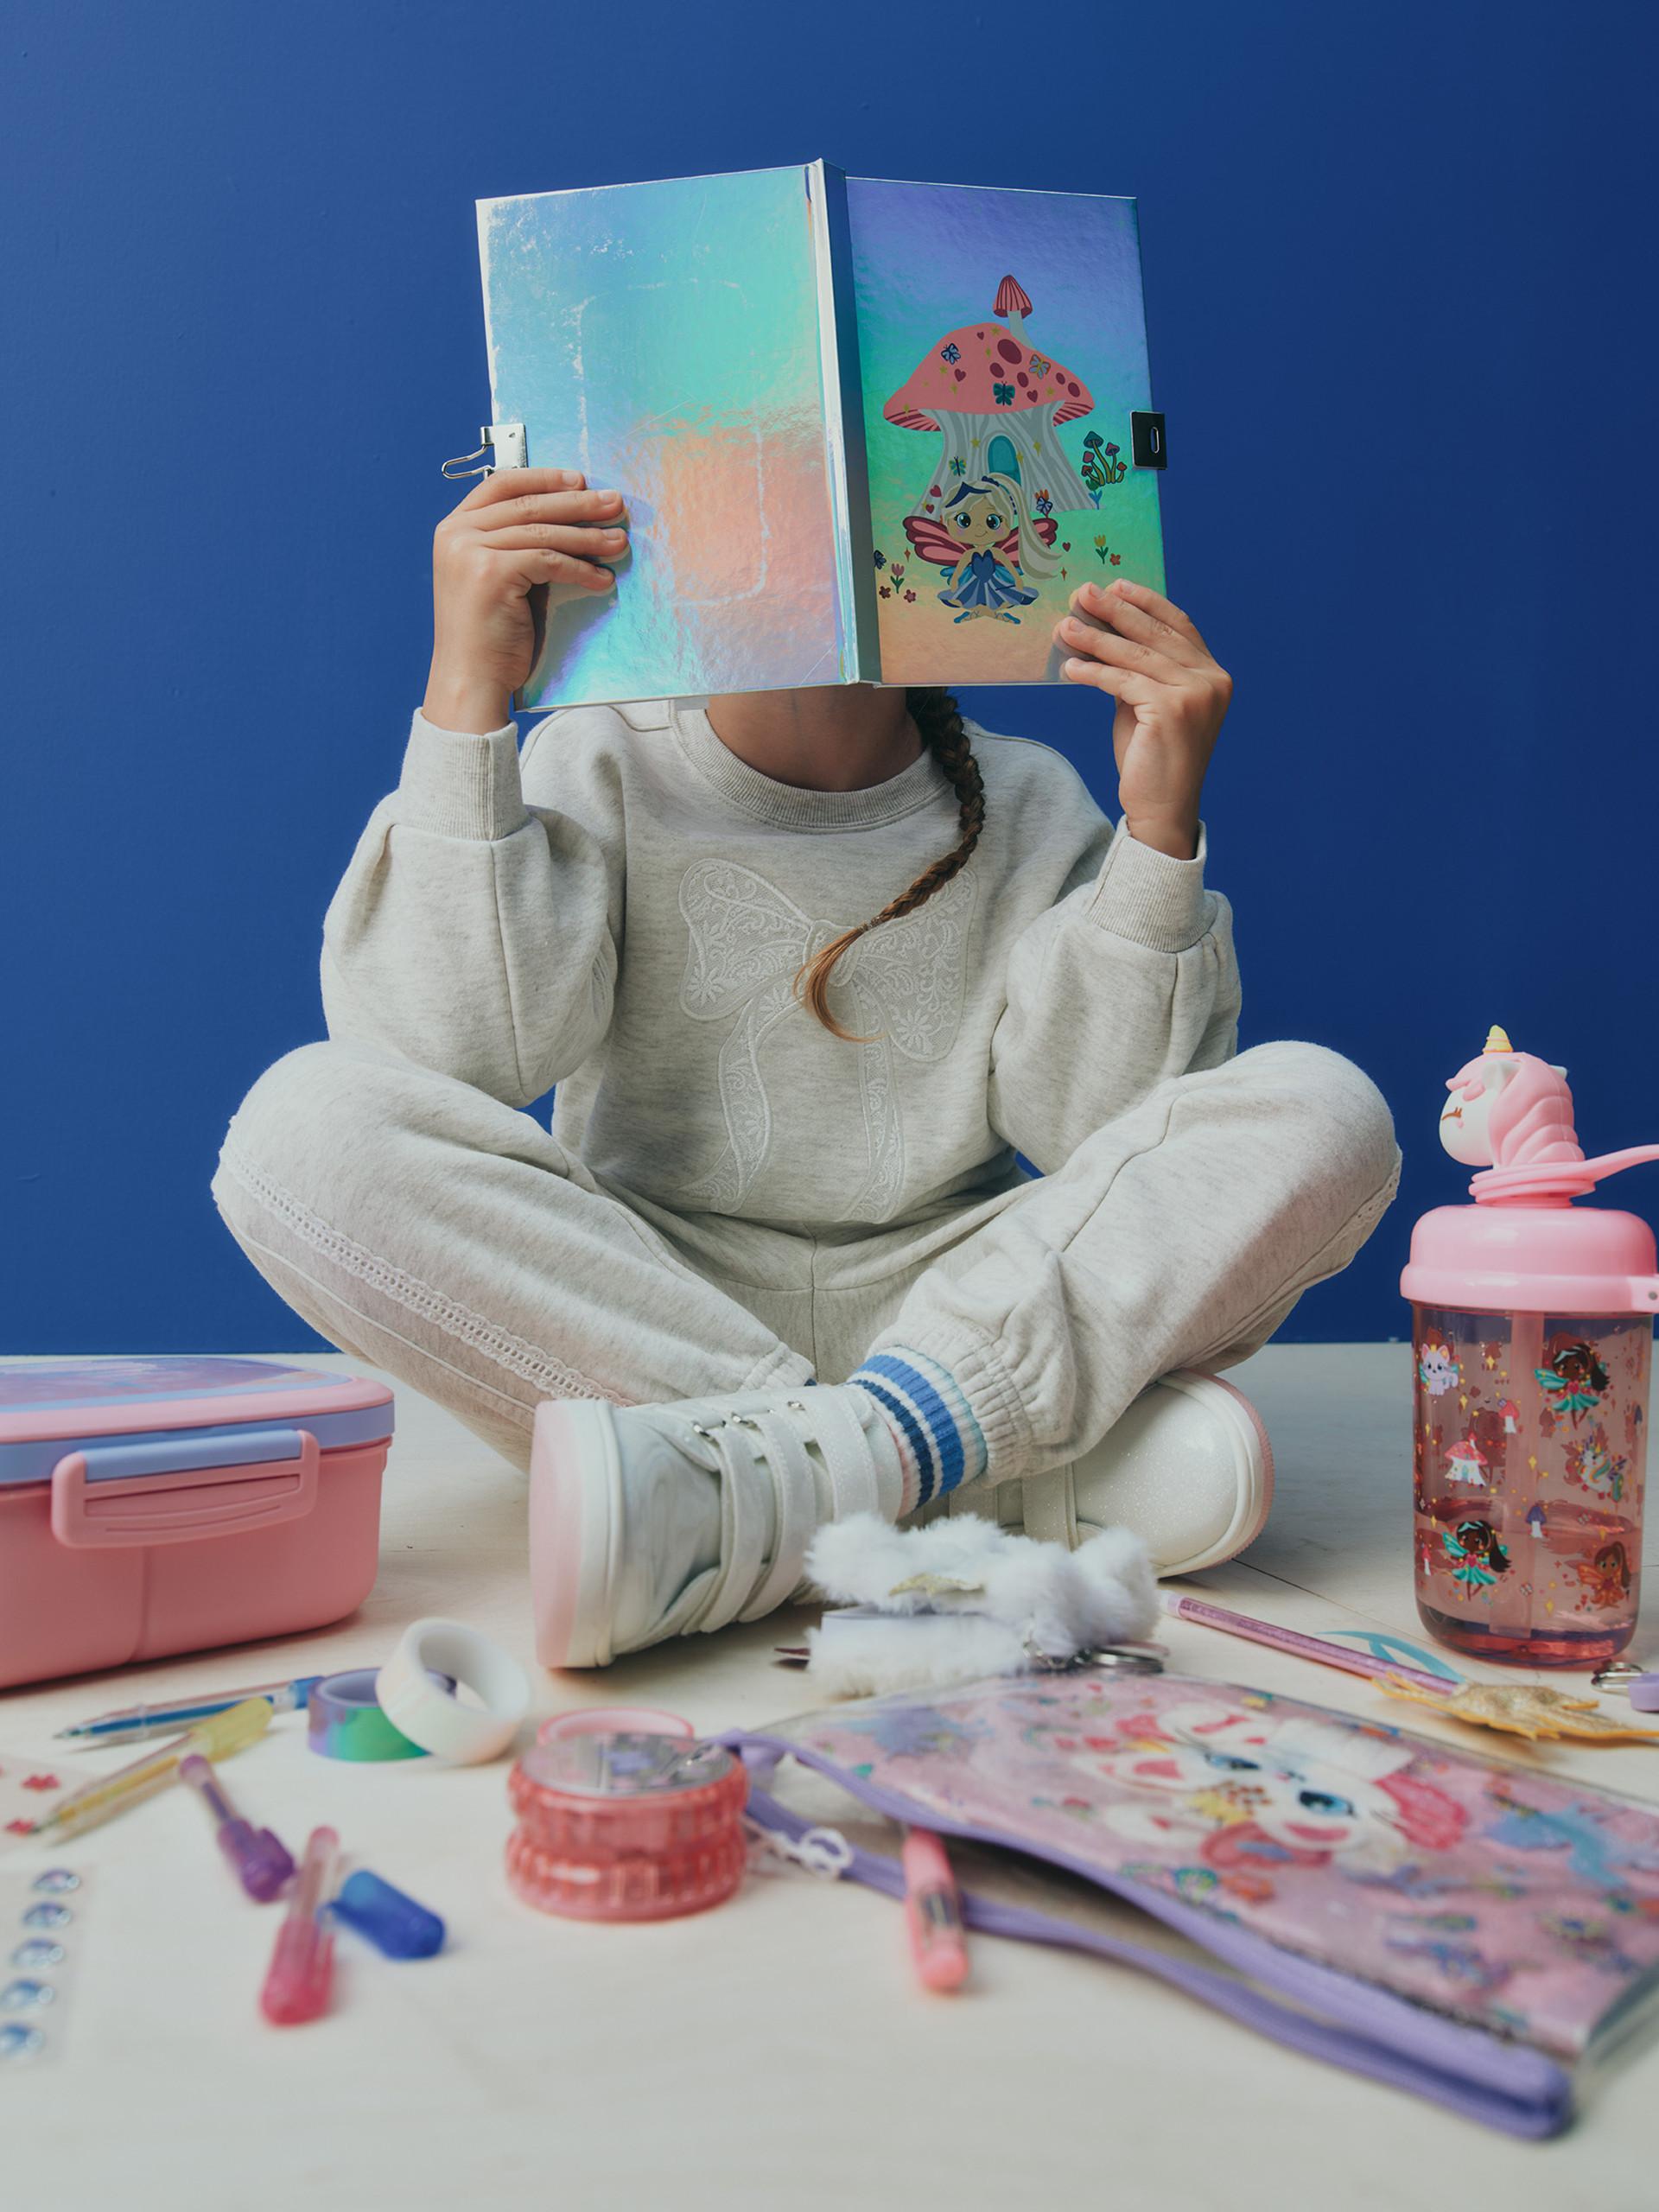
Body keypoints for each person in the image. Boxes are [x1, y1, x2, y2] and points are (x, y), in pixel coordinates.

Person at [213, 466, 1401, 1669]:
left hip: (957, 1308)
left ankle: (771, 1482)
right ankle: (953, 1476)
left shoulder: (1032, 801)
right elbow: (445, 1057)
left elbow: (1114, 1138)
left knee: (1327, 1109)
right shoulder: (594, 763)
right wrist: (466, 706)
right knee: (298, 1129)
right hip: (646, 1314)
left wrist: (1158, 833)